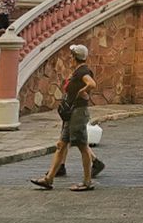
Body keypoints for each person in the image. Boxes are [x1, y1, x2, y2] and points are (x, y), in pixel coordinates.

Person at [31, 44, 104, 192]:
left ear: (75, 57)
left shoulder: (82, 71)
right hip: (71, 113)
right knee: (61, 145)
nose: (69, 58)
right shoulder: (78, 71)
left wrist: (83, 91)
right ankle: (49, 179)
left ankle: (87, 181)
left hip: (78, 112)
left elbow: (92, 84)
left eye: (71, 56)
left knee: (82, 146)